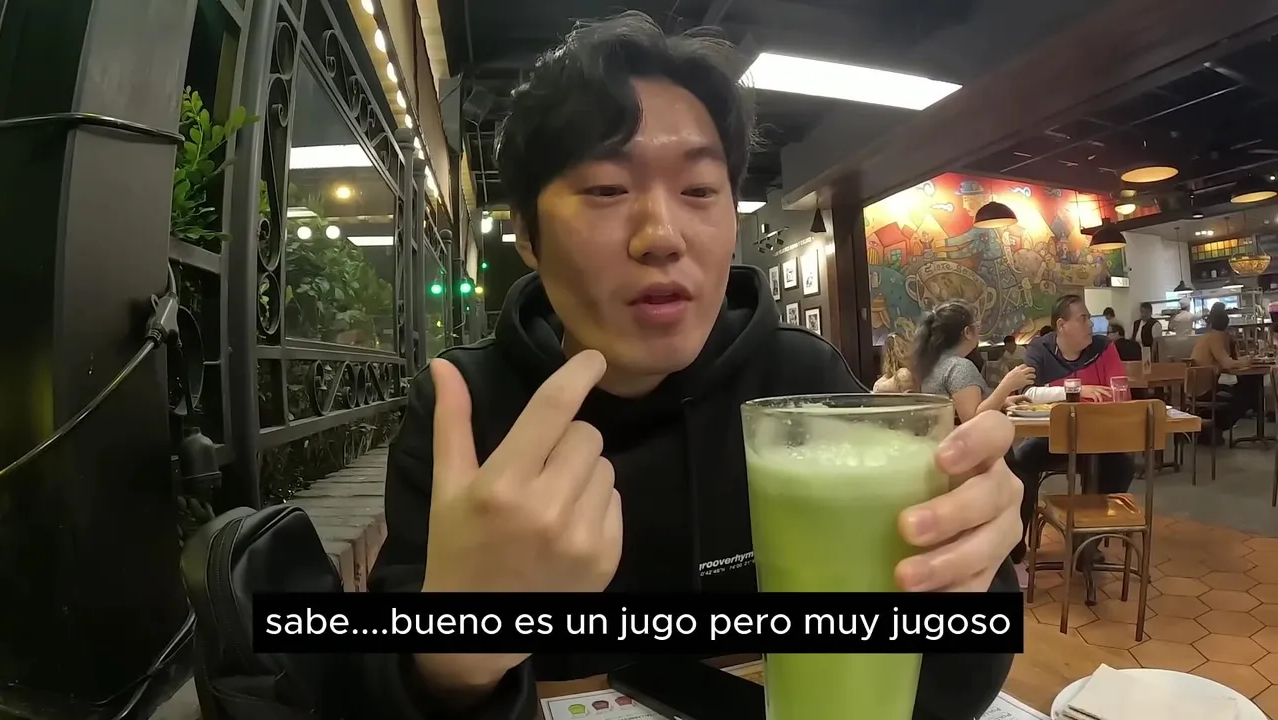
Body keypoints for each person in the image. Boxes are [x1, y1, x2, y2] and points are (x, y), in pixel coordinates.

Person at [361, 13, 1022, 720]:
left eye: (701, 191)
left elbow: (934, 683)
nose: (661, 236)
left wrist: (969, 572)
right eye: (606, 189)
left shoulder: (800, 387)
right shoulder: (465, 411)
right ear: (526, 233)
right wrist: (451, 662)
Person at [1013, 296, 1122, 563]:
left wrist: (1052, 392)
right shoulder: (1040, 349)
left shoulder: (1104, 348)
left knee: (1122, 465)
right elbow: (1026, 393)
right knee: (1022, 460)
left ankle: (1088, 541)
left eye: (1090, 318)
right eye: (1083, 319)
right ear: (1062, 325)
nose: (1091, 325)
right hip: (1053, 439)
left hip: (1099, 439)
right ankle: (1016, 544)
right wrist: (1077, 390)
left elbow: (1119, 393)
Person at [913, 302, 1034, 424]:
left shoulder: (933, 363)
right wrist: (1007, 385)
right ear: (967, 332)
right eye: (977, 326)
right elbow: (972, 420)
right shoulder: (959, 366)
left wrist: (1002, 400)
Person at [1189, 304, 1257, 440]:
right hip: (1204, 389)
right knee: (1246, 395)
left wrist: (1241, 360)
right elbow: (1227, 363)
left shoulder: (1207, 337)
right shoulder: (1216, 337)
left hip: (1196, 386)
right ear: (1226, 324)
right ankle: (1217, 426)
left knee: (1242, 389)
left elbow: (1226, 361)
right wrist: (1247, 361)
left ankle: (1212, 429)